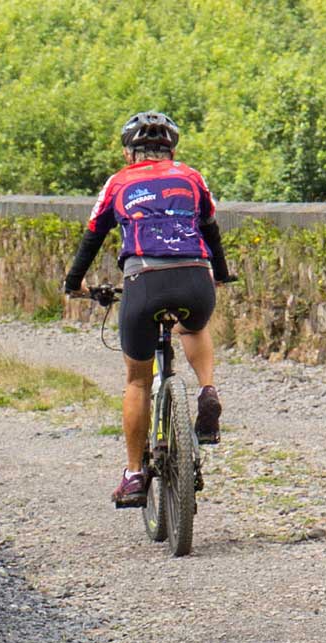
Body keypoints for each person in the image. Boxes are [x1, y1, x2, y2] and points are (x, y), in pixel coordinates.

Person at [64, 111, 235, 508]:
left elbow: (92, 237)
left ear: (129, 152)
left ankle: (134, 474)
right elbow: (211, 229)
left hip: (144, 281)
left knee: (138, 381)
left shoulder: (119, 183)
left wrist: (74, 283)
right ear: (172, 150)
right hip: (196, 278)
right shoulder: (192, 177)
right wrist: (221, 275)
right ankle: (207, 390)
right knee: (192, 328)